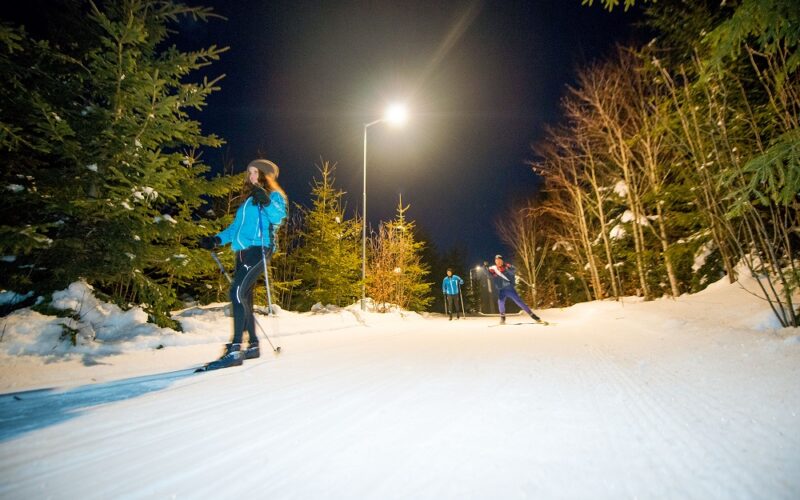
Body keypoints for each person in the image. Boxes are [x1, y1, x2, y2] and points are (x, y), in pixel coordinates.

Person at [198, 159, 287, 370]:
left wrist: (265, 200)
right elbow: (234, 229)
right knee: (244, 297)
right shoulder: (247, 202)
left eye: (255, 172)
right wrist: (216, 239)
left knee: (236, 292)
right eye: (250, 173)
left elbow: (278, 217)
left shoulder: (274, 196)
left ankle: (235, 349)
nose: (251, 176)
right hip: (241, 253)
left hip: (259, 249)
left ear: (266, 175)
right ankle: (253, 345)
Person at [487, 254, 545, 325]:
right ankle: (502, 317)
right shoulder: (494, 269)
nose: (498, 262)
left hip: (509, 289)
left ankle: (533, 315)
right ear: (495, 262)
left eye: (499, 260)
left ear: (502, 261)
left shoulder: (507, 266)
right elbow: (488, 273)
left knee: (519, 302)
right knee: (500, 302)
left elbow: (514, 270)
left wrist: (508, 269)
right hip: (501, 290)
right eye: (496, 261)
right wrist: (485, 268)